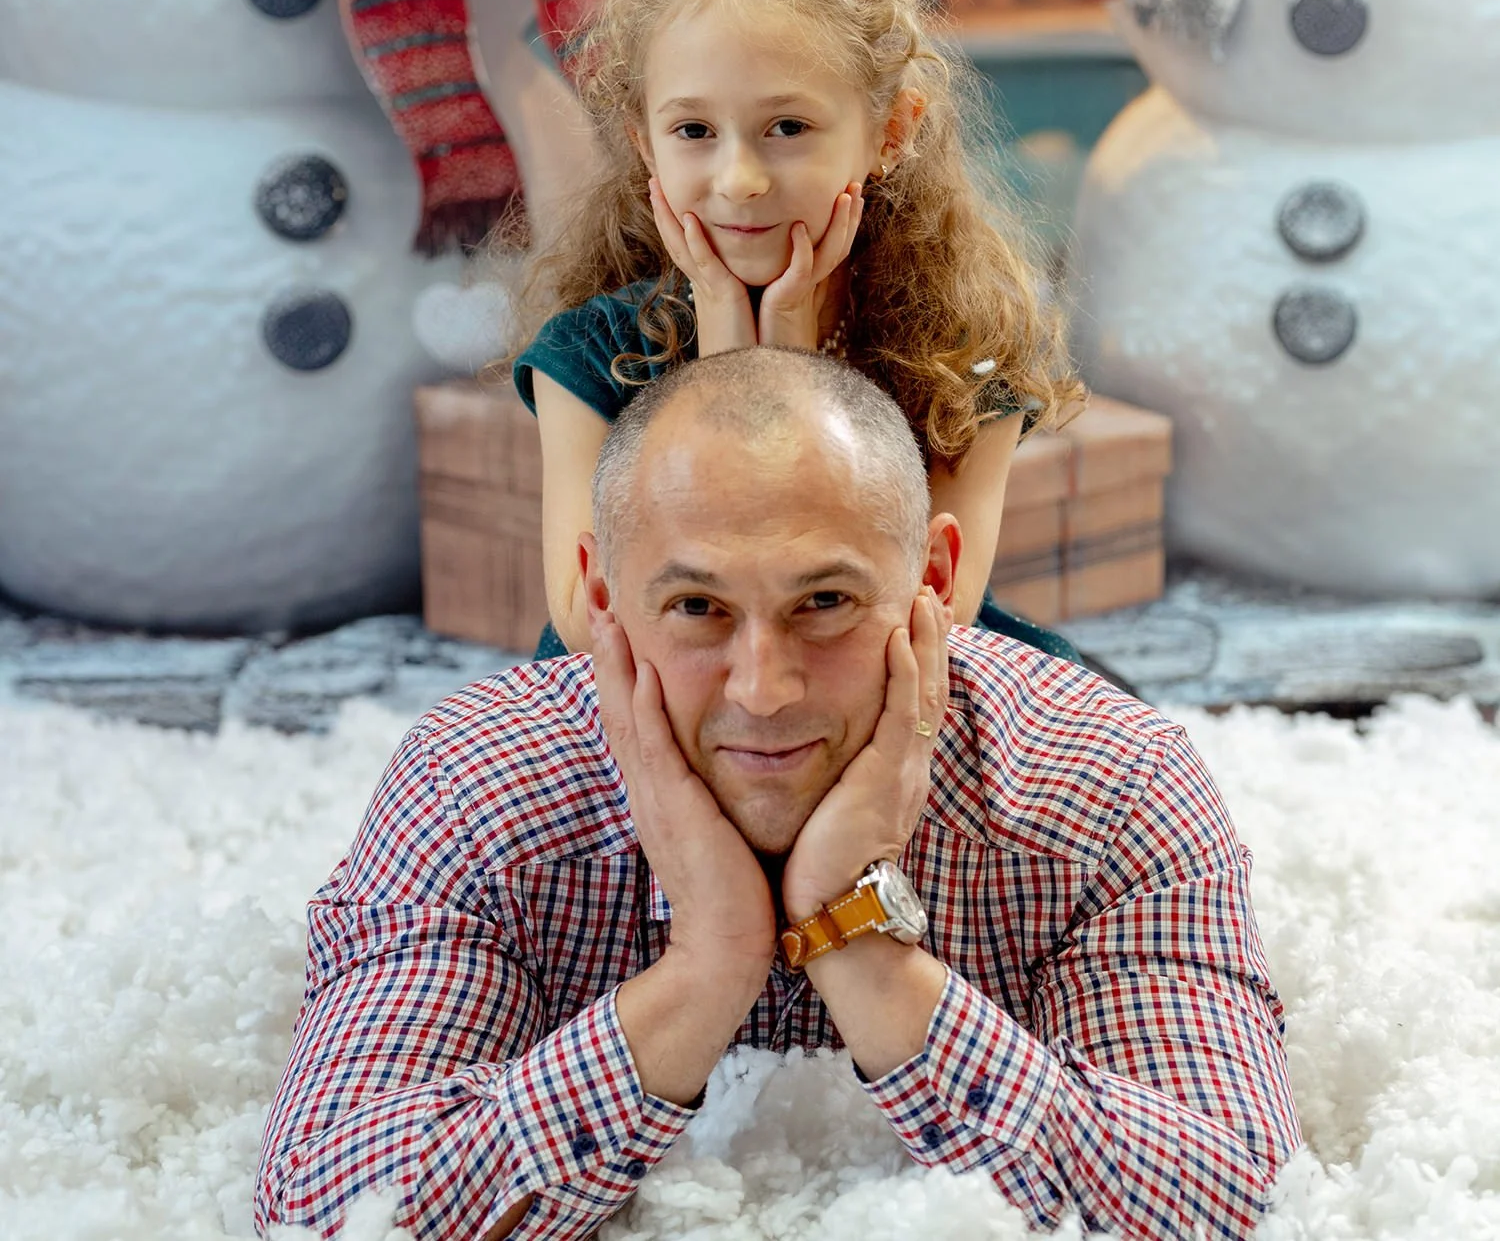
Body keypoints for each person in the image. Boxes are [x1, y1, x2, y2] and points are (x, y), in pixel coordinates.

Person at [256, 348, 1301, 1241]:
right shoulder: (473, 782)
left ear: (935, 582)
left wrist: (857, 936)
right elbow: (323, 1207)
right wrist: (709, 962)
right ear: (603, 596)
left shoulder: (1110, 780)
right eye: (697, 606)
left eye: (825, 601)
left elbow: (1240, 1201)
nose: (763, 689)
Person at [509, 0, 1085, 663]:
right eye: (694, 130)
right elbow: (590, 623)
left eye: (787, 127)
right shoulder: (588, 356)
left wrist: (788, 368)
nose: (739, 179)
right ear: (645, 143)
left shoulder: (961, 353)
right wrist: (730, 372)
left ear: (890, 132)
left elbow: (931, 609)